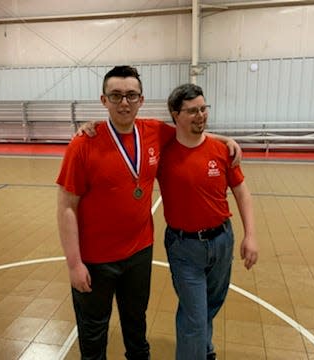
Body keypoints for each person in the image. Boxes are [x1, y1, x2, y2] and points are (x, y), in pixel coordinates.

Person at [56, 65, 241, 360]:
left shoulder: (153, 131)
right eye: (116, 96)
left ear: (141, 100)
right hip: (94, 260)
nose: (124, 102)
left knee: (136, 329)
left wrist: (225, 141)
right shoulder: (83, 143)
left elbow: (192, 130)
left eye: (131, 95)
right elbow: (66, 207)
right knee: (93, 335)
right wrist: (74, 263)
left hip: (138, 254)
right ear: (104, 101)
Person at [157, 83, 258, 360]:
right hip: (184, 247)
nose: (200, 115)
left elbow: (243, 194)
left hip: (222, 241)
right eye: (192, 111)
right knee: (194, 316)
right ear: (176, 115)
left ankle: (205, 348)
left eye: (203, 108)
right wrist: (90, 126)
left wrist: (250, 235)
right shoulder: (163, 152)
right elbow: (128, 129)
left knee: (211, 304)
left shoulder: (222, 150)